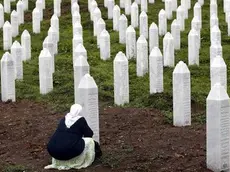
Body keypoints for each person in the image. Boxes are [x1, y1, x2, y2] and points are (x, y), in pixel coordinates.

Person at [45, 104, 102, 170]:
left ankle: (59, 162)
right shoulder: (81, 120)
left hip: (52, 150)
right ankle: (80, 161)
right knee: (89, 141)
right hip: (69, 150)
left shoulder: (63, 119)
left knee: (63, 142)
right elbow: (89, 134)